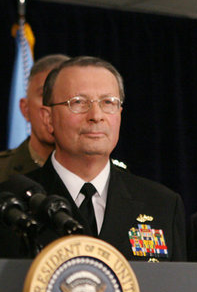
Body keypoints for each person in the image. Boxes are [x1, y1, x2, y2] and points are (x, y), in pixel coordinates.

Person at [22, 56, 186, 261]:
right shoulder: (15, 203)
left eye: (108, 102)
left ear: (120, 114)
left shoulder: (162, 204)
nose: (96, 115)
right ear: (49, 119)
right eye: (79, 102)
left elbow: (179, 290)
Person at [0, 54, 69, 183]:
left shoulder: (99, 173)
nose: (54, 106)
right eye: (45, 95)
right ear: (25, 109)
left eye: (67, 97)